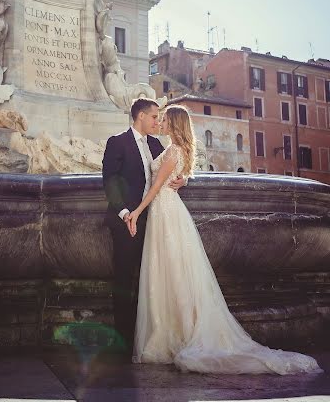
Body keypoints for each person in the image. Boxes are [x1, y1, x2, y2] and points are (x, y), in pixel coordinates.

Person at [128, 105, 322, 375]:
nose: (161, 123)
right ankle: (172, 329)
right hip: (169, 211)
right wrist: (182, 181)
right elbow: (177, 177)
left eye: (165, 120)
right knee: (174, 272)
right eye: (159, 119)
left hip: (165, 211)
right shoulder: (180, 150)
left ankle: (169, 334)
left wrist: (136, 211)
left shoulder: (173, 151)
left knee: (169, 271)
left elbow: (156, 186)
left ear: (175, 124)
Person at [102, 98, 186, 357]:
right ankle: (123, 343)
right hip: (127, 221)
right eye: (153, 116)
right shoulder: (117, 142)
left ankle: (148, 338)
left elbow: (167, 173)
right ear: (140, 116)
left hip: (157, 220)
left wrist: (183, 181)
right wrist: (126, 212)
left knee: (151, 280)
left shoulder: (156, 144)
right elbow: (109, 180)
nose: (157, 121)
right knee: (125, 280)